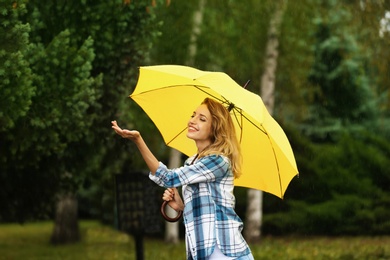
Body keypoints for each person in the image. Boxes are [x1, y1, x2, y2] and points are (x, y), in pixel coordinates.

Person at [111, 97, 254, 260]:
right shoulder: (192, 161)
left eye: (202, 119)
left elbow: (168, 178)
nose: (192, 121)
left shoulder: (218, 161)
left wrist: (138, 140)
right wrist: (181, 206)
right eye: (193, 115)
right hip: (202, 251)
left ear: (215, 129)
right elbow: (206, 208)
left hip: (225, 252)